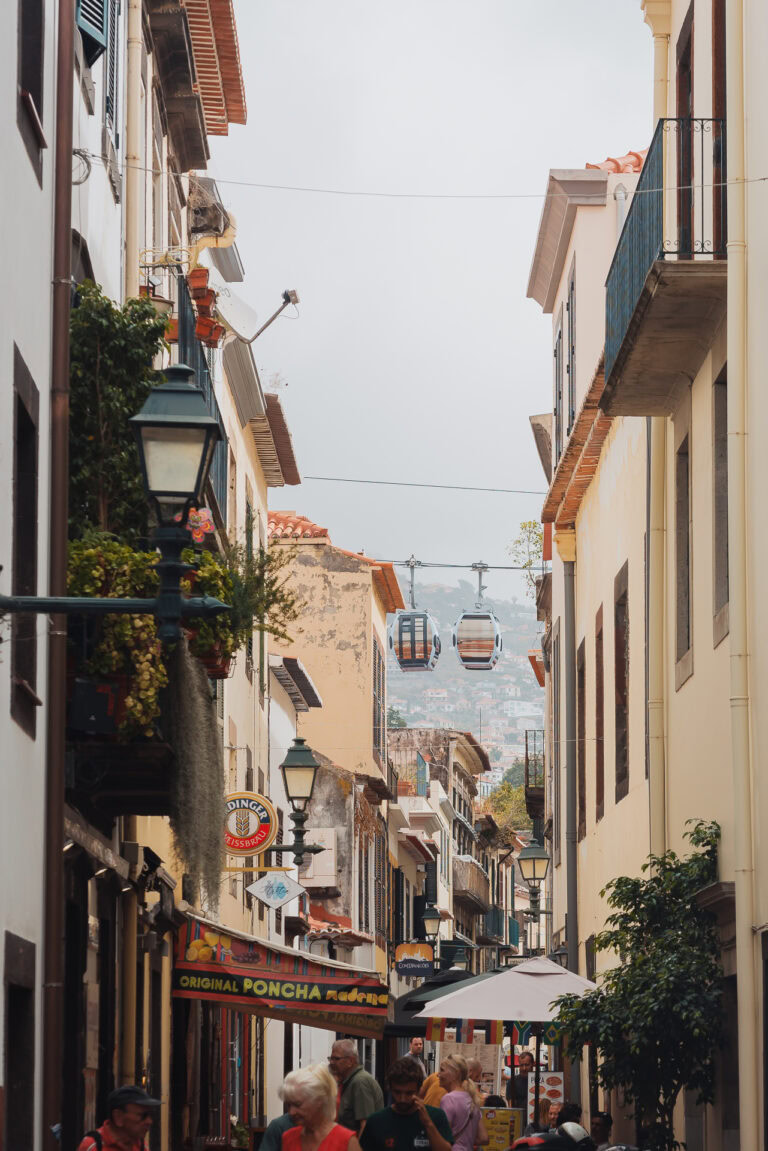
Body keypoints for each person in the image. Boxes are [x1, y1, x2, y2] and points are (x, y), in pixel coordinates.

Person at [360, 1057, 454, 1151]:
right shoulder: (376, 1121)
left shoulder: (436, 1116)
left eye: (409, 1093)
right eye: (397, 1092)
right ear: (390, 1089)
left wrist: (428, 1124)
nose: (402, 1099)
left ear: (419, 1090)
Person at [280, 1064, 362, 1151]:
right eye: (288, 1105)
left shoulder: (345, 1140)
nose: (291, 1112)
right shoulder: (288, 1138)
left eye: (297, 1104)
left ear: (319, 1101)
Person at [76, 1086, 160, 1151]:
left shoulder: (141, 1146)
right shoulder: (94, 1146)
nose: (149, 1121)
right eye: (143, 1115)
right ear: (118, 1117)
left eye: (151, 1115)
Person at [329, 1039, 384, 1135]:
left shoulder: (359, 1082)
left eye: (336, 1059)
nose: (331, 1063)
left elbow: (365, 1126)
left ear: (350, 1061)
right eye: (331, 1058)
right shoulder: (347, 1081)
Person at [437, 1056, 489, 1151]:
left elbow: (442, 1137)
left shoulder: (449, 1099)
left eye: (442, 1070)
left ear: (456, 1074)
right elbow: (484, 1138)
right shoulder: (473, 1099)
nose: (438, 1074)